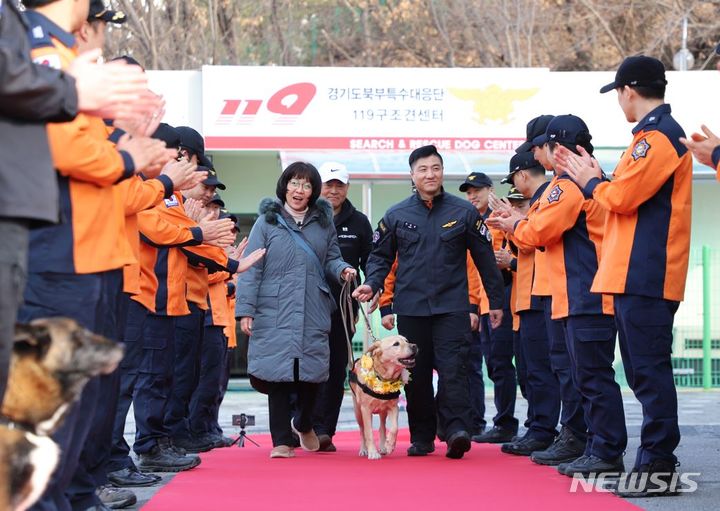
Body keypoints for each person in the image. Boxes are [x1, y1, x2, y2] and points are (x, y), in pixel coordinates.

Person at [0, 0, 154, 406]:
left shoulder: (55, 54)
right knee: (54, 410)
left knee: (80, 409)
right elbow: (66, 149)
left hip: (84, 252)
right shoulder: (46, 51)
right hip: (62, 249)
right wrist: (129, 156)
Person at [559, 55, 692, 497]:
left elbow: (623, 197)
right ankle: (655, 460)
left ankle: (659, 462)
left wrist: (593, 182)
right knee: (643, 372)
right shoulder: (653, 138)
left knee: (649, 373)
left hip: (645, 274)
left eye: (618, 94)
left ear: (627, 91)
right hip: (637, 275)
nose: (619, 102)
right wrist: (600, 181)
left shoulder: (654, 139)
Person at [489, 115, 627, 477]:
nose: (538, 155)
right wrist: (520, 223)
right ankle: (592, 443)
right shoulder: (578, 184)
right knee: (583, 375)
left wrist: (514, 224)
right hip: (579, 292)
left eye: (542, 147)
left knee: (590, 376)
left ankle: (605, 447)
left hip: (585, 293)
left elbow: (539, 232)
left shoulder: (566, 187)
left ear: (557, 149)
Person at [353, 145, 504, 460]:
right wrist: (372, 284)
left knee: (454, 369)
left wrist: (496, 302)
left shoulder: (463, 213)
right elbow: (380, 258)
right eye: (423, 169)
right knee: (416, 375)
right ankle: (422, 436)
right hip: (412, 308)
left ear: (442, 171)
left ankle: (456, 431)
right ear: (412, 175)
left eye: (435, 168)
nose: (430, 174)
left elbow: (485, 260)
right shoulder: (396, 215)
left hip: (452, 307)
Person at [236, 162, 356, 459]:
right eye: (294, 183)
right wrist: (246, 309)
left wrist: (343, 270)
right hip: (272, 306)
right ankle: (281, 441)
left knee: (313, 373)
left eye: (305, 185)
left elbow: (332, 258)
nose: (298, 190)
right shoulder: (267, 221)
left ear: (313, 191)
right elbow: (252, 267)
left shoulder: (323, 222)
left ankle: (303, 423)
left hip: (313, 305)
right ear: (284, 186)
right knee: (278, 376)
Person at [495, 152, 561, 459]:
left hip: (539, 295)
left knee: (541, 371)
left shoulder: (550, 198)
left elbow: (536, 242)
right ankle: (538, 426)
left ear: (522, 175)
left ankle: (544, 430)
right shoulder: (539, 203)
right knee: (528, 371)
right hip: (524, 299)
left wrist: (514, 225)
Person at [311, 161, 373, 452]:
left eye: (339, 185)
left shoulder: (359, 222)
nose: (334, 190)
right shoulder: (304, 217)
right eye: (328, 184)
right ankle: (302, 424)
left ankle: (324, 431)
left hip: (342, 308)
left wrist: (372, 289)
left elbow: (371, 263)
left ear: (347, 188)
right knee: (306, 366)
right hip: (306, 307)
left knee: (336, 368)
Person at [459, 171, 518, 444]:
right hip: (482, 303)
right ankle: (485, 421)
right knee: (489, 364)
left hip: (504, 299)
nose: (473, 196)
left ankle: (506, 422)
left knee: (503, 364)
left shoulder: (503, 216)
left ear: (490, 190)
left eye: (478, 191)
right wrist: (472, 304)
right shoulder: (470, 222)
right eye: (469, 192)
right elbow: (472, 270)